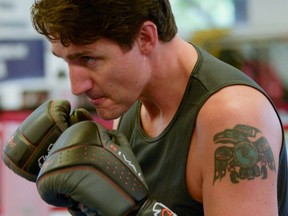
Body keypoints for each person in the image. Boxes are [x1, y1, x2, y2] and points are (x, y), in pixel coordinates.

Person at [24, 0, 288, 215]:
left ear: (145, 37)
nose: (76, 86)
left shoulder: (232, 116)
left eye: (88, 58)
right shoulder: (129, 102)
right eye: (66, 61)